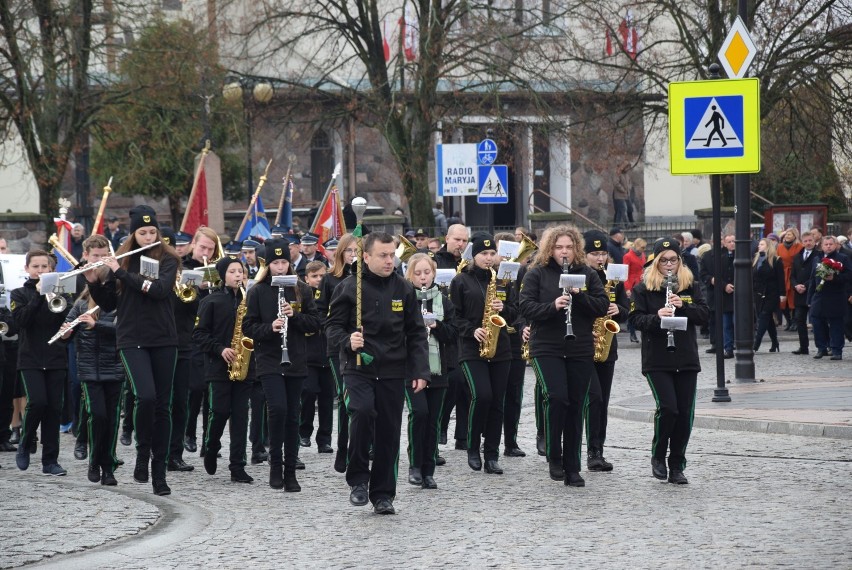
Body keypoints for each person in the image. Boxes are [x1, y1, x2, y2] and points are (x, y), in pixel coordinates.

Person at [326, 232, 429, 514]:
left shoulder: (404, 289)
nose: (389, 260)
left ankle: (383, 494)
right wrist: (348, 341)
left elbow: (416, 333)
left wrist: (420, 370)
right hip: (359, 367)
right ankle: (358, 478)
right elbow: (332, 329)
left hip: (394, 369)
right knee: (361, 411)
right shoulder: (348, 288)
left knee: (388, 432)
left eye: (392, 254)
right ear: (366, 256)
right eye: (382, 255)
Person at [86, 205, 181, 496]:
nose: (149, 236)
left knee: (163, 405)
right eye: (143, 232)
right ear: (134, 233)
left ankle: (159, 471)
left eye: (153, 232)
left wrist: (120, 273)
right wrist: (92, 282)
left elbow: (160, 290)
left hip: (164, 337)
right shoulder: (123, 260)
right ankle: (142, 452)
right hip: (131, 338)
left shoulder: (168, 259)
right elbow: (111, 304)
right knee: (146, 396)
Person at [519, 225, 608, 487]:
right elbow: (525, 305)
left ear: (576, 248)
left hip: (579, 346)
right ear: (550, 249)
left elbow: (601, 306)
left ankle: (572, 467)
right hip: (546, 345)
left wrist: (579, 297)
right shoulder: (537, 274)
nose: (564, 252)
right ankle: (554, 455)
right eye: (559, 247)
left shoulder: (587, 273)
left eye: (569, 247)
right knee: (557, 397)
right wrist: (552, 306)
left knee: (576, 403)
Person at [628, 238, 709, 484]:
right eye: (663, 260)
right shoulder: (644, 288)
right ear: (656, 262)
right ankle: (658, 455)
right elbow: (635, 320)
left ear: (680, 261)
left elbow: (704, 315)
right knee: (668, 408)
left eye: (673, 260)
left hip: (685, 357)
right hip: (657, 358)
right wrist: (657, 317)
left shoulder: (690, 285)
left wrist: (682, 307)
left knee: (684, 413)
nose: (669, 264)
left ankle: (677, 464)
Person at [243, 238, 321, 491]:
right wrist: (270, 327)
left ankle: (290, 472)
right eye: (275, 263)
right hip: (269, 360)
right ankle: (275, 466)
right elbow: (249, 326)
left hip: (296, 359)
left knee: (292, 414)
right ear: (268, 264)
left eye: (284, 262)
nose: (280, 267)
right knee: (277, 409)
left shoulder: (301, 289)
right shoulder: (257, 290)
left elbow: (315, 323)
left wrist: (294, 316)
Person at [450, 232, 519, 476]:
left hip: (500, 348)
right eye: (483, 254)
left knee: (497, 403)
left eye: (492, 254)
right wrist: (472, 330)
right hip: (471, 348)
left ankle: (492, 454)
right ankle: (472, 447)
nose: (489, 258)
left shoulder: (503, 280)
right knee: (482, 396)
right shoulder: (461, 281)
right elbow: (453, 316)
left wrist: (505, 309)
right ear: (474, 256)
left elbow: (514, 312)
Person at [192, 256, 254, 483]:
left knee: (240, 417)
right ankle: (211, 445)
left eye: (241, 271)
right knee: (219, 412)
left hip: (244, 366)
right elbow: (198, 334)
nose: (238, 275)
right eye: (233, 271)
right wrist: (220, 349)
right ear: (222, 275)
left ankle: (237, 466)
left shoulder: (249, 300)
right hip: (218, 367)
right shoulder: (212, 301)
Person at [12, 249, 73, 476]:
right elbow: (21, 322)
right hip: (30, 358)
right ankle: (26, 442)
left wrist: (69, 332)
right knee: (37, 402)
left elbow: (66, 321)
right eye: (35, 267)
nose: (40, 271)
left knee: (54, 410)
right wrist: (38, 295)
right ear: (27, 269)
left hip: (56, 357)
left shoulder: (61, 293)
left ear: (51, 269)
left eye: (44, 267)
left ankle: (50, 461)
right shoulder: (19, 294)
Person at [60, 284, 122, 485]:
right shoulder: (81, 304)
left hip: (114, 368)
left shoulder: (119, 304)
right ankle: (94, 461)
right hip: (89, 370)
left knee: (112, 420)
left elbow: (125, 330)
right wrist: (66, 332)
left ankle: (108, 467)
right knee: (97, 416)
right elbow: (67, 330)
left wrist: (97, 325)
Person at [404, 253, 456, 489]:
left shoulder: (444, 301)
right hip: (412, 368)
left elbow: (453, 334)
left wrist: (436, 325)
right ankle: (414, 465)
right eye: (418, 273)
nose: (423, 277)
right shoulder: (405, 298)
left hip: (438, 368)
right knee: (419, 414)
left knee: (433, 419)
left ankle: (428, 470)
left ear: (434, 274)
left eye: (427, 273)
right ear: (410, 276)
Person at [583, 230, 629, 472]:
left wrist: (617, 310)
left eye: (603, 253)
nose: (600, 258)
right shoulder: (579, 276)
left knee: (603, 401)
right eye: (594, 253)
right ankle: (591, 451)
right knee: (593, 398)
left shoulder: (614, 278)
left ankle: (598, 448)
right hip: (583, 344)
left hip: (607, 345)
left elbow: (626, 308)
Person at [316, 234, 357, 473]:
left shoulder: (364, 279)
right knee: (346, 397)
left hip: (363, 345)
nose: (353, 255)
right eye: (349, 251)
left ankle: (362, 444)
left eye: (356, 251)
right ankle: (344, 448)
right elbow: (321, 314)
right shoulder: (330, 280)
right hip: (338, 347)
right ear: (340, 254)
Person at [182, 227, 221, 456]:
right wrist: (198, 287)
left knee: (212, 393)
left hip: (214, 337)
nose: (205, 251)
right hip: (191, 335)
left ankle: (210, 442)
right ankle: (189, 433)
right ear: (193, 245)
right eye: (202, 247)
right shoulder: (183, 267)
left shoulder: (218, 269)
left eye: (210, 248)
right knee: (195, 388)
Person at [432, 224, 471, 449]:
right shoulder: (437, 261)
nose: (460, 244)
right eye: (457, 239)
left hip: (463, 327)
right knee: (450, 381)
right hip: (443, 324)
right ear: (447, 238)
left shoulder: (468, 264)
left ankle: (463, 436)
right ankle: (441, 426)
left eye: (464, 241)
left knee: (465, 385)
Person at [299, 261, 335, 454]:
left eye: (322, 276)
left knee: (327, 400)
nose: (319, 280)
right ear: (307, 279)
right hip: (309, 355)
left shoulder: (332, 294)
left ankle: (325, 439)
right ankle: (304, 431)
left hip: (328, 355)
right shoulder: (304, 296)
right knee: (309, 392)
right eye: (314, 277)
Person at [807, 236, 850, 360]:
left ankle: (837, 350)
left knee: (836, 323)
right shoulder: (817, 259)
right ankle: (821, 348)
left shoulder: (843, 258)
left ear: (836, 245)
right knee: (817, 322)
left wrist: (835, 278)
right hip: (819, 296)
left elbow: (848, 275)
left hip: (836, 295)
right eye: (826, 244)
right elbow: (812, 279)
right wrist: (809, 299)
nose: (828, 246)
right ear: (821, 246)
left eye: (831, 244)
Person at [700, 232, 735, 358]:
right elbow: (703, 274)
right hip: (714, 292)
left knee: (729, 321)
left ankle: (729, 344)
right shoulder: (707, 256)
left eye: (721, 239)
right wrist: (710, 280)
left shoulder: (729, 255)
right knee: (714, 318)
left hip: (728, 291)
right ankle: (715, 343)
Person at [752, 238, 785, 352]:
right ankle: (775, 342)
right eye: (759, 244)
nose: (759, 246)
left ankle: (756, 344)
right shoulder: (755, 259)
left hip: (771, 293)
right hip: (758, 293)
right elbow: (753, 277)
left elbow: (781, 279)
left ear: (767, 246)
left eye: (761, 244)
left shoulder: (776, 260)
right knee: (768, 319)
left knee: (764, 316)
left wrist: (782, 294)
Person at [790, 232, 817, 355]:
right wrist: (796, 285)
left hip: (812, 293)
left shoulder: (818, 255)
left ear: (814, 241)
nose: (808, 243)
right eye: (805, 241)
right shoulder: (797, 256)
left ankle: (822, 346)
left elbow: (817, 274)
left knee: (817, 320)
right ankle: (803, 347)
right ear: (802, 242)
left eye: (810, 240)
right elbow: (792, 275)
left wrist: (805, 286)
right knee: (799, 320)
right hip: (799, 293)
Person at [776, 229, 803, 331]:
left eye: (790, 234)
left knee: (794, 298)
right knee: (783, 300)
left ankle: (796, 321)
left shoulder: (799, 246)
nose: (787, 236)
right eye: (786, 234)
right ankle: (789, 320)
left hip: (794, 273)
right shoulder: (779, 247)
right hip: (782, 274)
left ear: (795, 236)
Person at [623, 238, 647, 343]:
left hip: (641, 283)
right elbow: (625, 273)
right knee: (632, 309)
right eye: (642, 247)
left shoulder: (642, 254)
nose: (643, 249)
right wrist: (627, 288)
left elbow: (643, 268)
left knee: (642, 308)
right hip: (631, 284)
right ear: (637, 246)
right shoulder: (627, 256)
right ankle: (632, 334)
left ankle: (641, 334)